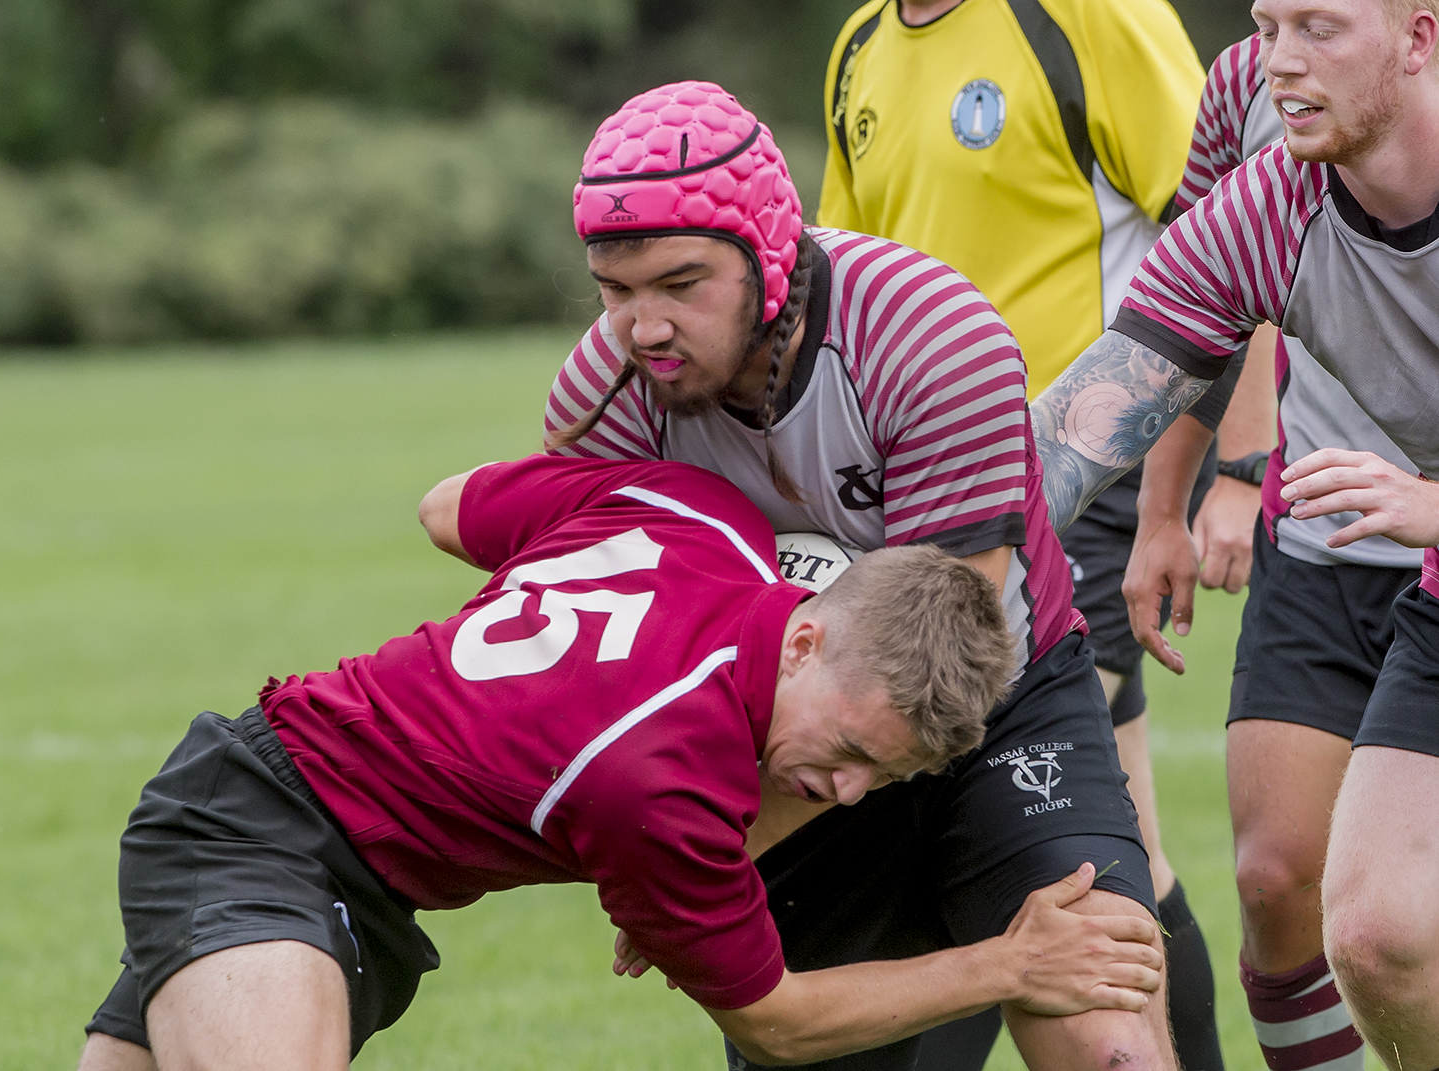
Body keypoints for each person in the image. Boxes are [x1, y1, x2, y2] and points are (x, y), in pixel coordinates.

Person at [75, 453, 1168, 1071]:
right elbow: (776, 1021)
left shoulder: (691, 509)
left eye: (875, 782)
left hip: (347, 861)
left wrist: (511, 664)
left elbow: (446, 509)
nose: (841, 797)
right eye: (843, 755)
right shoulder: (662, 787)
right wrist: (1008, 966)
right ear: (804, 634)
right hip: (253, 831)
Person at [547, 81, 1177, 1071]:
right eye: (615, 291)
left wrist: (717, 855)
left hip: (996, 697)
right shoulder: (608, 402)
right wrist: (675, 842)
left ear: (769, 254)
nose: (645, 330)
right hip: (796, 743)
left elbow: (930, 669)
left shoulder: (928, 337)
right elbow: (622, 660)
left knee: (1109, 1041)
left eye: (680, 284)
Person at [815, 0, 1231, 1063]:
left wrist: (1197, 487)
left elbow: (1231, 238)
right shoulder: (861, 44)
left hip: (1071, 489)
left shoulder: (1089, 15)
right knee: (1124, 843)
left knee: (989, 817)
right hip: (911, 509)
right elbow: (836, 279)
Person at [1029, 0, 1439, 1065]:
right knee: (1374, 933)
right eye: (1268, 28)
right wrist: (935, 545)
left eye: (1319, 29)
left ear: (1420, 36)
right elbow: (1095, 411)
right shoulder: (1267, 207)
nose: (1281, 65)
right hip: (1390, 566)